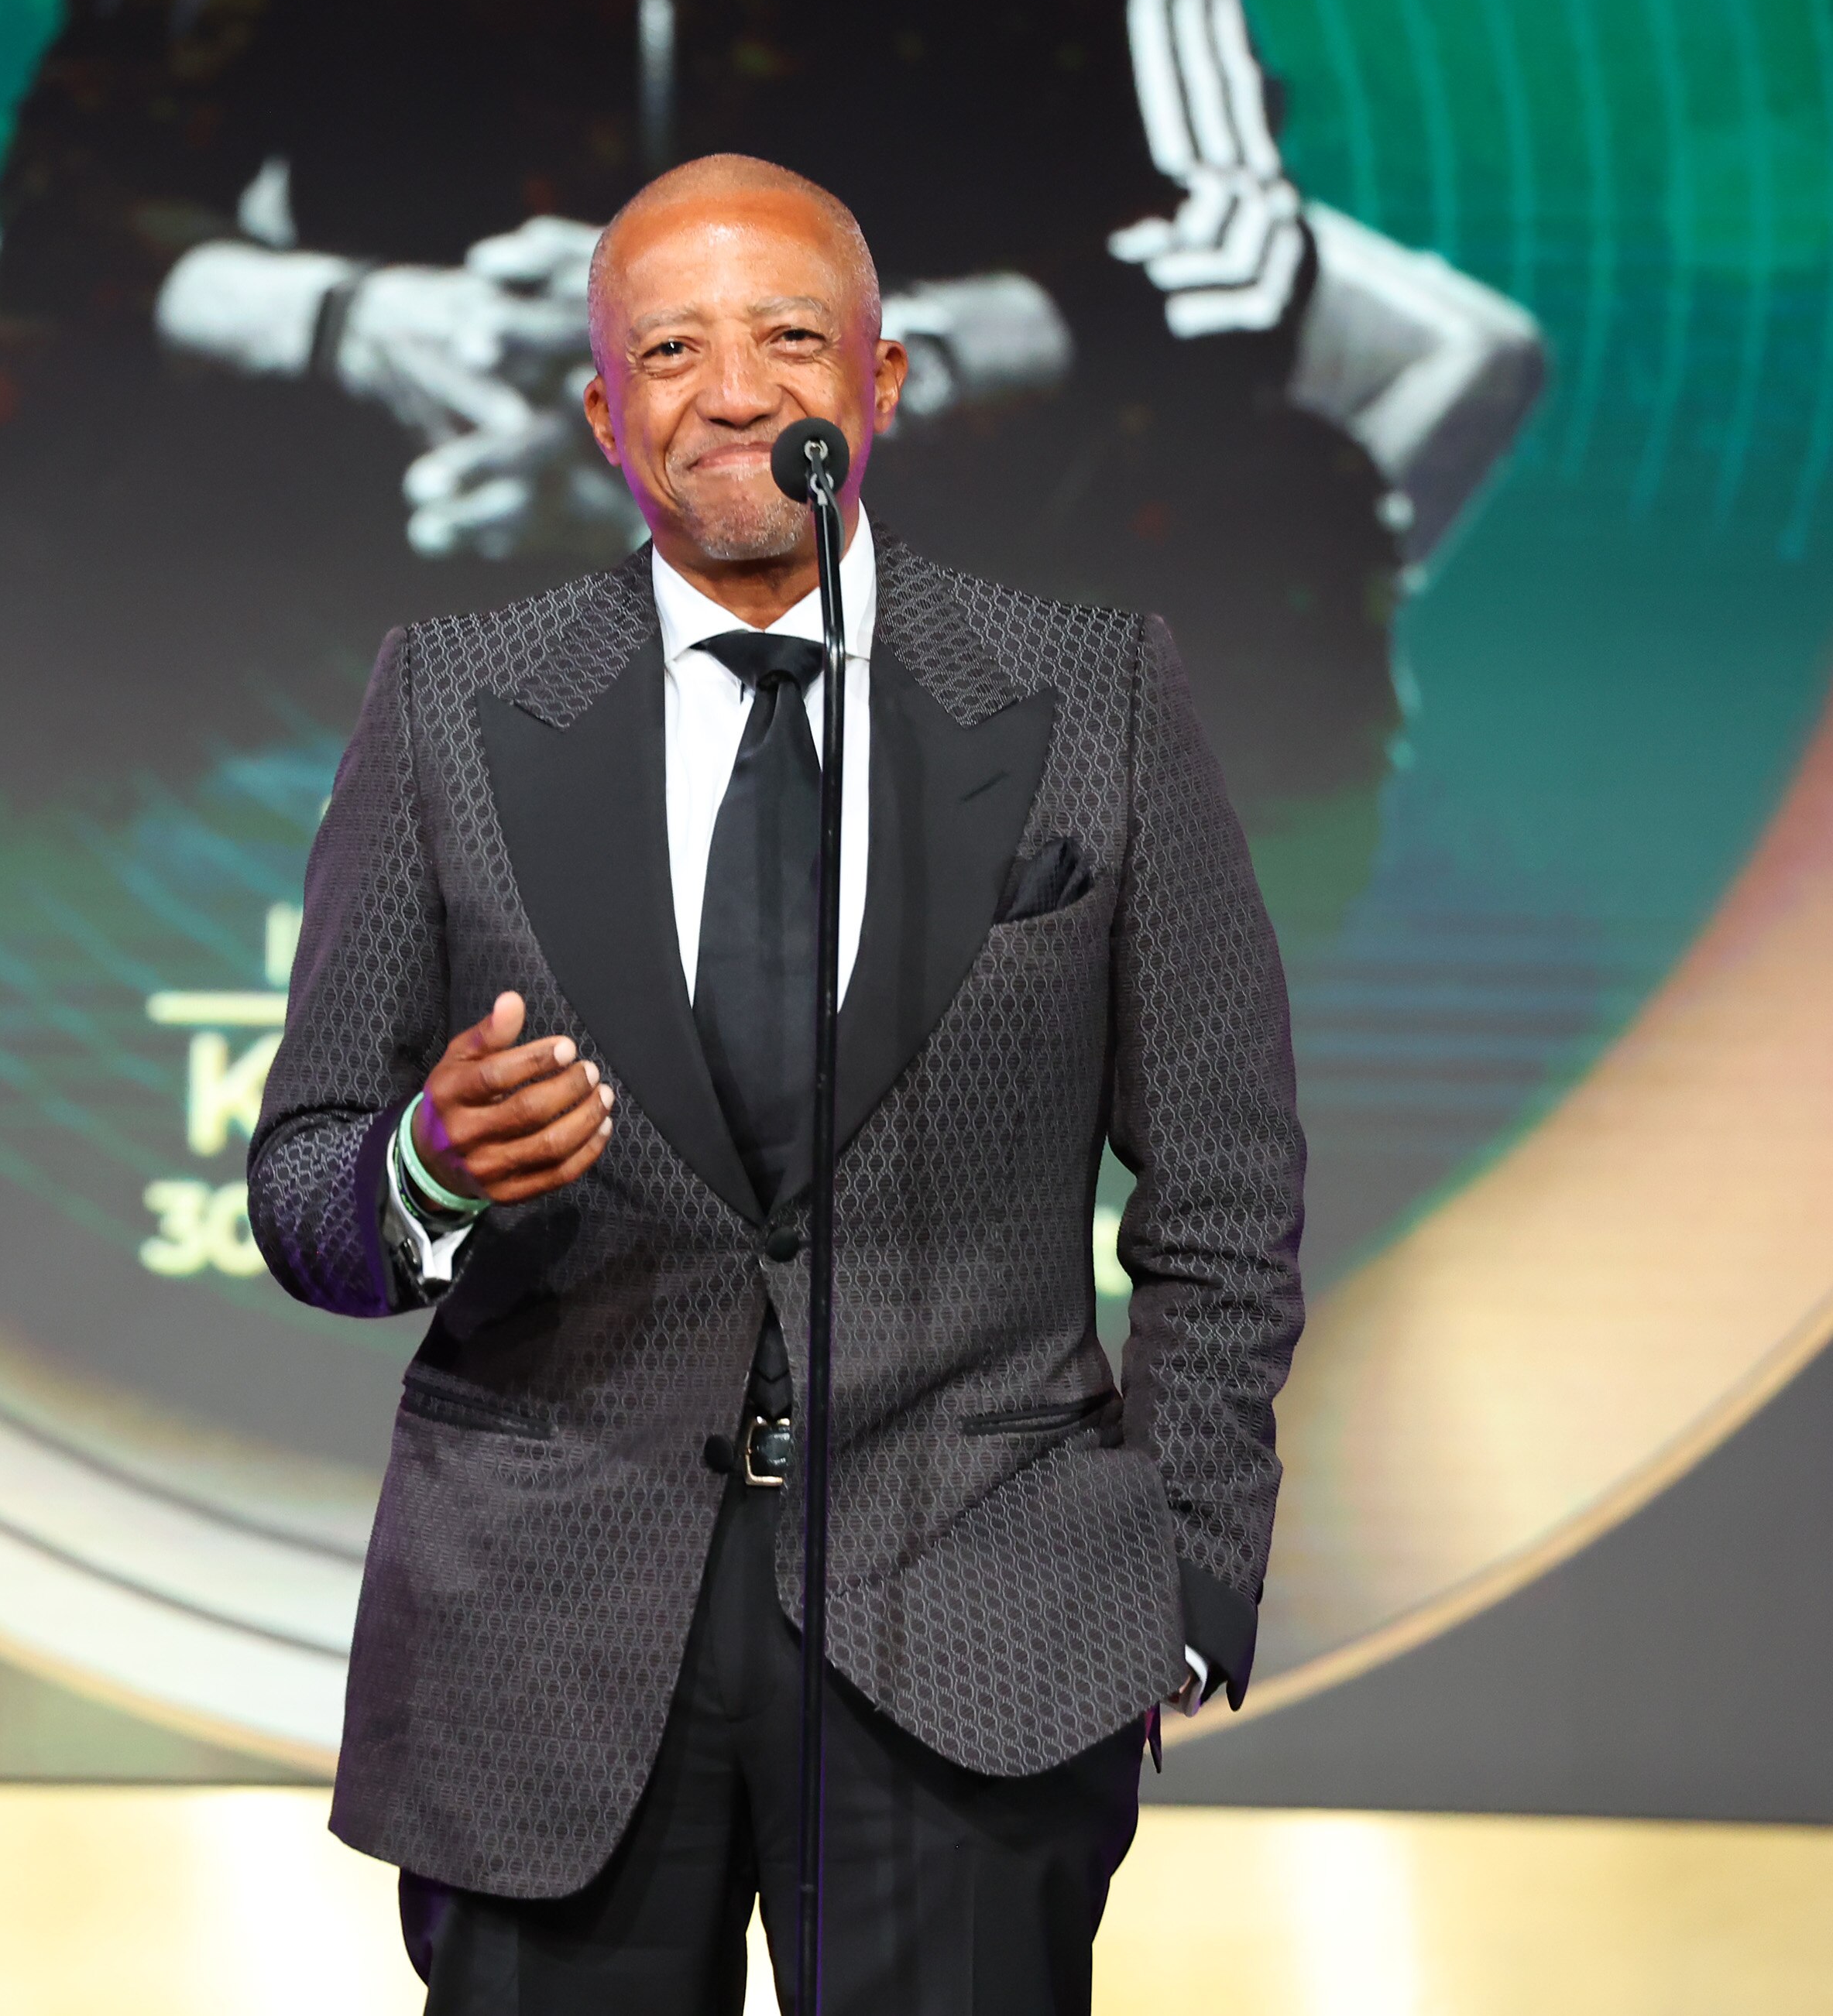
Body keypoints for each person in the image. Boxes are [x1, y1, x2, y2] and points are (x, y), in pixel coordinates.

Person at [248, 156, 1306, 2011]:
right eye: (670, 346)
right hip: (551, 1638)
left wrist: (1186, 1558)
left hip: (979, 1621)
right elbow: (303, 1186)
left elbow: (1221, 1187)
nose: (732, 390)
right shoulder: (449, 703)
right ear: (601, 412)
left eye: (788, 337)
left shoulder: (1090, 695)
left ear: (881, 384)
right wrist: (421, 1167)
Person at [0, 0, 1414, 857]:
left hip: (902, 465)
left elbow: (1230, 245)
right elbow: (72, 205)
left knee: (1266, 500)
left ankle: (1200, 1156)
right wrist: (364, 321)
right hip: (417, 435)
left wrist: (849, 361)